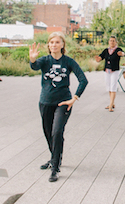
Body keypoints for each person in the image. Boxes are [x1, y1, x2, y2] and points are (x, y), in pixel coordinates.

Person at [30, 31, 88, 182]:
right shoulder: (45, 60)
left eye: (57, 42)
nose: (54, 45)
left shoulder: (68, 61)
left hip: (63, 103)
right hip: (45, 102)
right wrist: (32, 59)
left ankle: (55, 167)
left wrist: (74, 98)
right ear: (48, 45)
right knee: (48, 133)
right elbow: (35, 67)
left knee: (57, 132)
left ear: (62, 45)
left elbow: (83, 80)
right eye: (51, 42)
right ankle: (54, 158)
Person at [95, 36, 124, 112]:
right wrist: (98, 59)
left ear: (116, 42)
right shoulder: (106, 50)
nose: (112, 42)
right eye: (110, 40)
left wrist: (121, 54)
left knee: (113, 86)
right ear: (109, 42)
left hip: (114, 71)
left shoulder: (118, 50)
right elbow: (101, 57)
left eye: (113, 41)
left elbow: (122, 53)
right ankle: (112, 102)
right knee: (108, 86)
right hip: (107, 71)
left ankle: (110, 105)